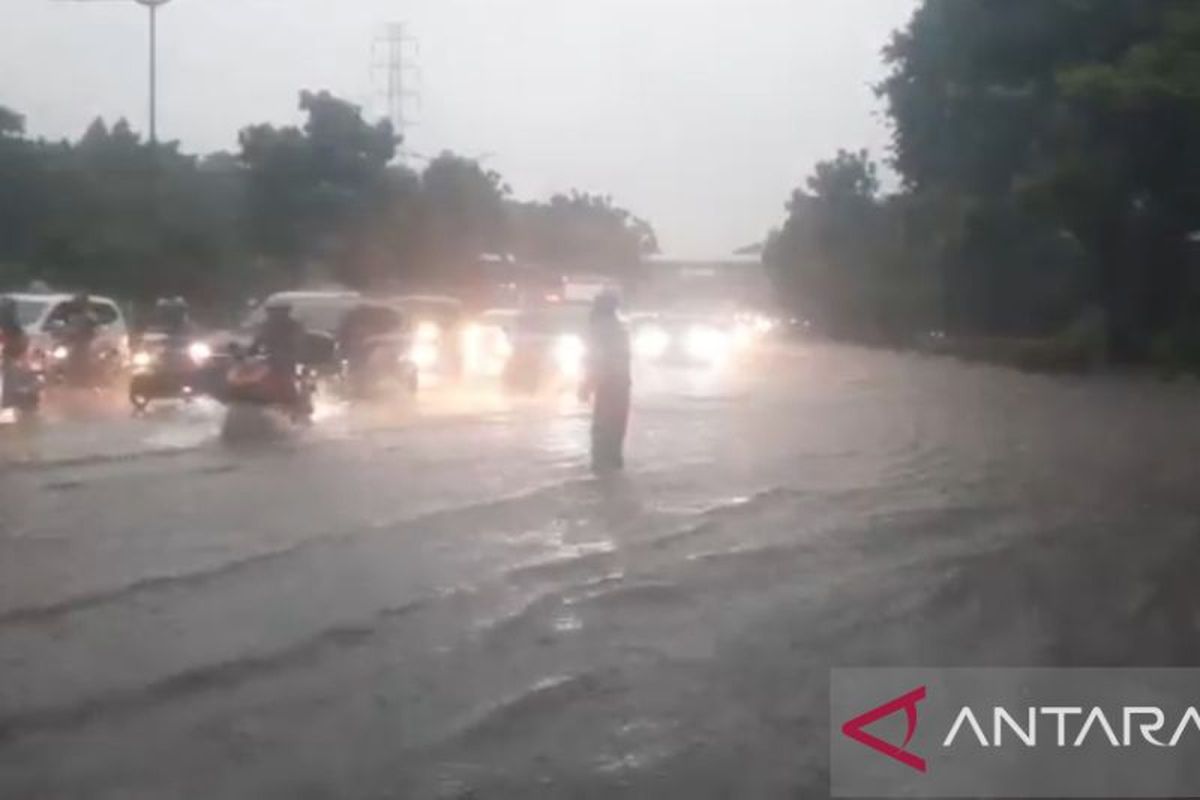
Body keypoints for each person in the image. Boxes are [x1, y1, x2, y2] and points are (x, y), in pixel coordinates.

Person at [581, 291, 632, 473]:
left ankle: (601, 466)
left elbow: (595, 358)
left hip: (607, 383)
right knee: (616, 425)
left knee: (603, 426)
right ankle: (613, 464)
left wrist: (586, 385)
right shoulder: (620, 328)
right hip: (621, 383)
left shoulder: (599, 328)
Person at [250, 301, 306, 407]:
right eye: (274, 312)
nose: (277, 315)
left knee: (293, 382)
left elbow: (298, 343)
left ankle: (297, 405)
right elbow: (256, 343)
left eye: (280, 312)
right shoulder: (265, 326)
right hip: (272, 361)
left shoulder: (293, 326)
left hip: (287, 362)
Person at [0, 298, 30, 410]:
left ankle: (8, 403)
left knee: (10, 377)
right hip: (9, 357)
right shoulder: (13, 326)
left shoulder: (15, 327)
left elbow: (21, 342)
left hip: (10, 357)